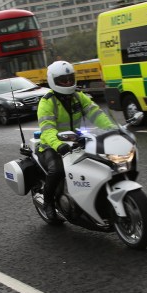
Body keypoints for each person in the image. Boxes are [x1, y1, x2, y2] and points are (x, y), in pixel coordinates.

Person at [36, 61, 112, 218]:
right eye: (63, 80)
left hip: (76, 141)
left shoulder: (79, 97)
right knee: (56, 170)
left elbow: (96, 114)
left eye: (70, 78)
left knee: (102, 163)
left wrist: (113, 129)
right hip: (51, 146)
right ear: (53, 81)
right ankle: (48, 202)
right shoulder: (47, 102)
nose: (68, 83)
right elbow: (48, 129)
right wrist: (58, 145)